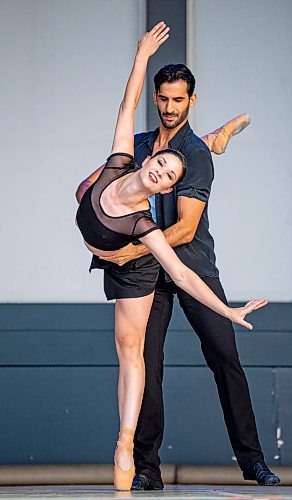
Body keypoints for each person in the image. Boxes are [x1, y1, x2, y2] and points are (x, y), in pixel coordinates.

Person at [75, 23, 268, 491]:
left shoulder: (192, 157)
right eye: (163, 98)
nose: (168, 106)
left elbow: (180, 229)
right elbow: (99, 188)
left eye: (178, 100)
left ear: (190, 102)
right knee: (146, 362)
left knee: (224, 354)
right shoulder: (139, 147)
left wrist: (125, 248)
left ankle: (253, 461)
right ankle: (146, 468)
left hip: (186, 261)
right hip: (148, 270)